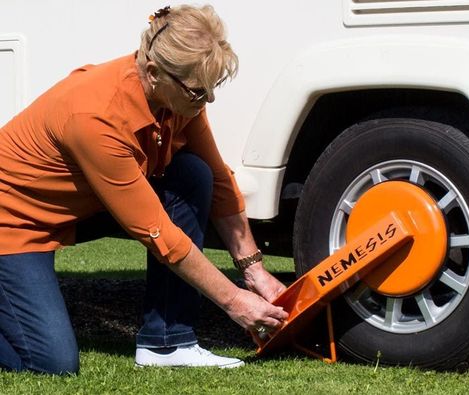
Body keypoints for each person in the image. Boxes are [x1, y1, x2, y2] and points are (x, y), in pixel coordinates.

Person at [0, 4, 288, 375]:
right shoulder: (95, 117)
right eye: (199, 92)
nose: (208, 101)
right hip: (12, 224)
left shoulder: (177, 96)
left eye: (212, 89)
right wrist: (235, 301)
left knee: (193, 173)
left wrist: (254, 270)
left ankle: (168, 343)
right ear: (154, 73)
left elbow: (218, 179)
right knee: (51, 364)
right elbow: (157, 232)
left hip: (74, 209)